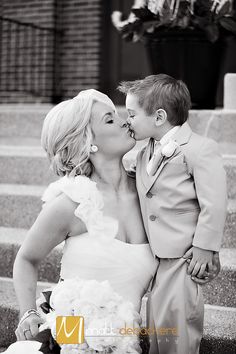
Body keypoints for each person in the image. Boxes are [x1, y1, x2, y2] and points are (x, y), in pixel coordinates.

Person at [3, 89, 220, 354]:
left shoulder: (150, 194)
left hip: (124, 339)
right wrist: (27, 313)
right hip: (70, 331)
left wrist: (204, 254)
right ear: (88, 141)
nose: (125, 121)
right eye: (109, 119)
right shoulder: (73, 201)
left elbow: (182, 242)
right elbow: (26, 258)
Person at [118, 74, 227, 354]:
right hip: (156, 258)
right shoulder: (144, 155)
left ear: (159, 117)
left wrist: (205, 247)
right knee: (157, 329)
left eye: (131, 114)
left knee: (178, 331)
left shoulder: (200, 150)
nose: (127, 120)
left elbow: (213, 203)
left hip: (183, 258)